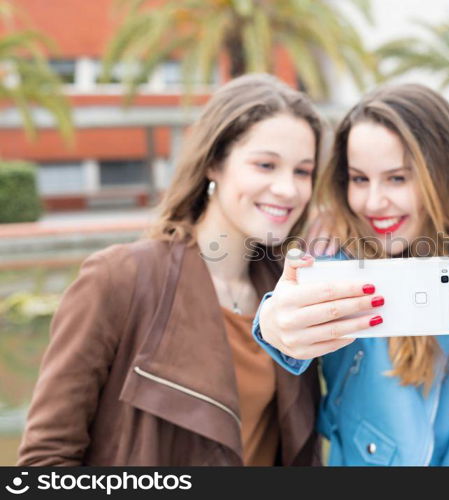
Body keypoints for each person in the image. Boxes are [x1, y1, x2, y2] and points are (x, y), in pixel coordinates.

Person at [17, 74, 323, 466]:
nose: (288, 189)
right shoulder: (118, 279)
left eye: (303, 171)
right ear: (214, 163)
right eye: (266, 165)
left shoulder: (291, 291)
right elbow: (45, 460)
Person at [254, 83, 449, 465]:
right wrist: (274, 325)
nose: (374, 203)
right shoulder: (335, 245)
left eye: (397, 178)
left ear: (442, 176)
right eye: (359, 179)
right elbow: (291, 318)